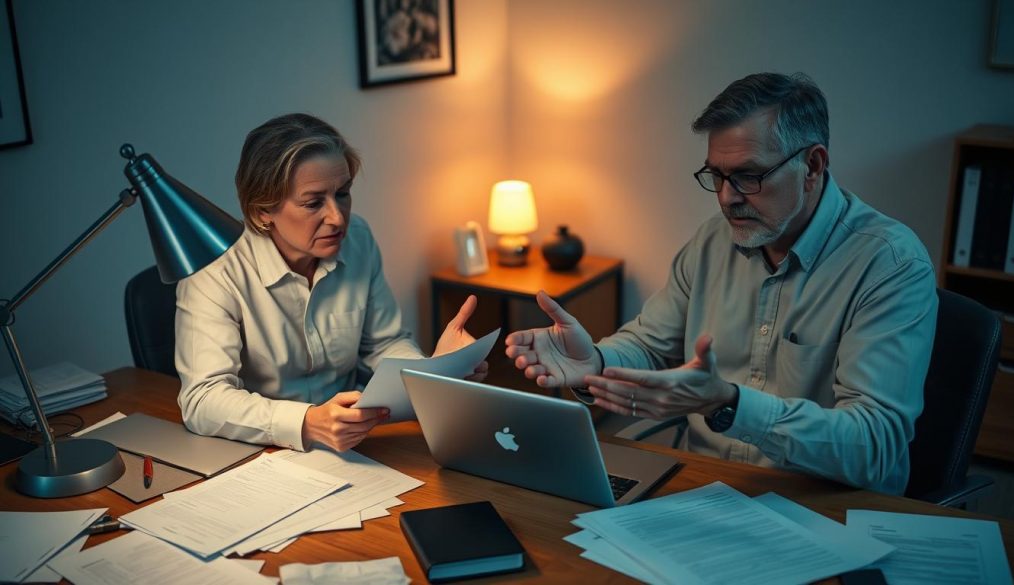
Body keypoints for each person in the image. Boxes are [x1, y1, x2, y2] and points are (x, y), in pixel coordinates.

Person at [505, 73, 937, 494]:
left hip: (824, 503)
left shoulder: (890, 264)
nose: (727, 197)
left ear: (813, 165)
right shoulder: (714, 238)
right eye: (717, 176)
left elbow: (875, 447)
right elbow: (653, 345)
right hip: (708, 488)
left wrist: (728, 405)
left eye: (749, 176)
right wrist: (596, 362)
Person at [176, 113, 486, 453]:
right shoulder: (214, 271)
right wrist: (307, 422)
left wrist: (433, 374)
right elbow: (202, 400)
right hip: (261, 451)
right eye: (313, 203)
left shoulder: (359, 239)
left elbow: (384, 344)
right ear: (262, 211)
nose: (337, 218)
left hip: (356, 443)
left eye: (342, 194)